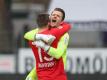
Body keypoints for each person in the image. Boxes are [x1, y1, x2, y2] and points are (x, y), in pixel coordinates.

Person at [24, 8, 71, 80]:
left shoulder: (64, 35)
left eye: (58, 16)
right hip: (46, 74)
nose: (55, 16)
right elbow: (27, 35)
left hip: (57, 74)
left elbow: (58, 54)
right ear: (50, 17)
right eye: (53, 15)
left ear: (61, 21)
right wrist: (32, 75)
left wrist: (43, 46)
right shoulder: (44, 30)